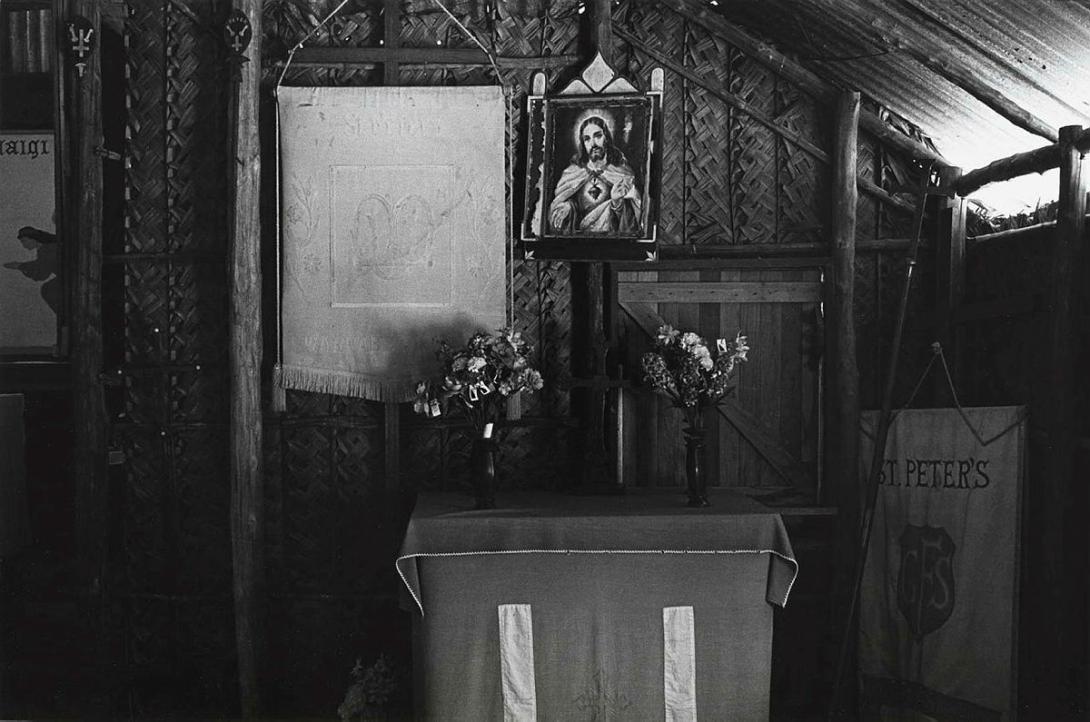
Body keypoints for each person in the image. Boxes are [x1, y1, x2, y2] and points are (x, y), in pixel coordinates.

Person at [548, 114, 642, 234]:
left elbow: (633, 218)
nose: (593, 144)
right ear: (583, 143)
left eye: (598, 136)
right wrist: (568, 207)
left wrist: (616, 203)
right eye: (587, 139)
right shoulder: (572, 173)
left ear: (606, 137)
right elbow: (562, 206)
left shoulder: (621, 173)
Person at [4, 226, 61, 316]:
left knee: (48, 290)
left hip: (72, 276)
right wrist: (21, 266)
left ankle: (66, 317)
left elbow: (42, 273)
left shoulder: (48, 248)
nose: (24, 245)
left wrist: (20, 266)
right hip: (68, 275)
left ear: (33, 238)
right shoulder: (45, 248)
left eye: (24, 241)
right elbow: (41, 265)